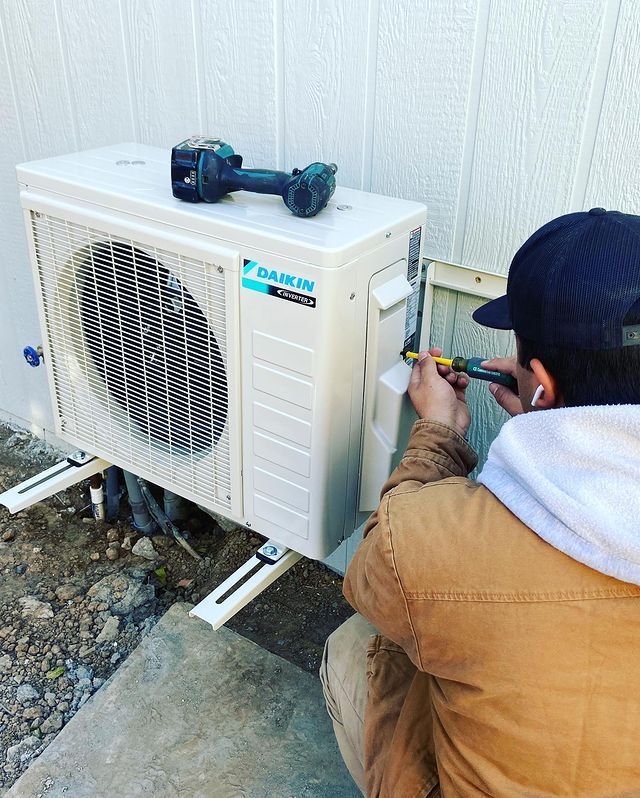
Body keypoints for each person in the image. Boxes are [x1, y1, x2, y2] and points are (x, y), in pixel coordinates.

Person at [321, 208, 640, 797]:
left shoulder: (450, 547)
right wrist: (553, 426)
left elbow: (372, 573)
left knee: (353, 648)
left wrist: (439, 433)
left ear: (538, 380)